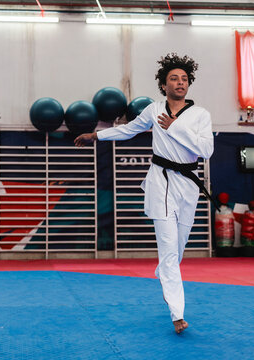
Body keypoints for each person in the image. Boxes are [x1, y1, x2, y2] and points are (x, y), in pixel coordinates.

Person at [75, 53, 214, 334]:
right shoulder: (154, 110)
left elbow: (206, 150)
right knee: (168, 249)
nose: (180, 82)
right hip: (160, 182)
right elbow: (128, 130)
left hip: (188, 185)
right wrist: (97, 135)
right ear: (164, 85)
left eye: (184, 79)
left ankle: (164, 271)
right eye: (174, 78)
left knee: (177, 252)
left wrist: (175, 128)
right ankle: (177, 314)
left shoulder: (201, 115)